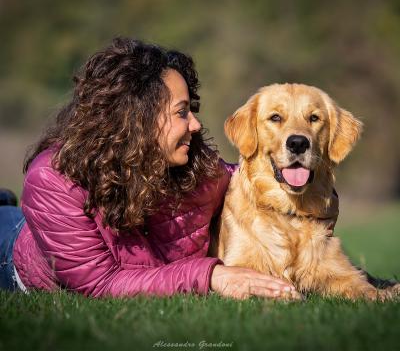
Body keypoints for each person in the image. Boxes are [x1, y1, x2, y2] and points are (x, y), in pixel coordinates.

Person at [0, 38, 338, 299]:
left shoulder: (197, 165)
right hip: (14, 254)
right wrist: (211, 276)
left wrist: (315, 199)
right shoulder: (52, 181)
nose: (195, 124)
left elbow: (253, 180)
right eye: (181, 112)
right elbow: (101, 284)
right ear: (138, 119)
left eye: (191, 109)